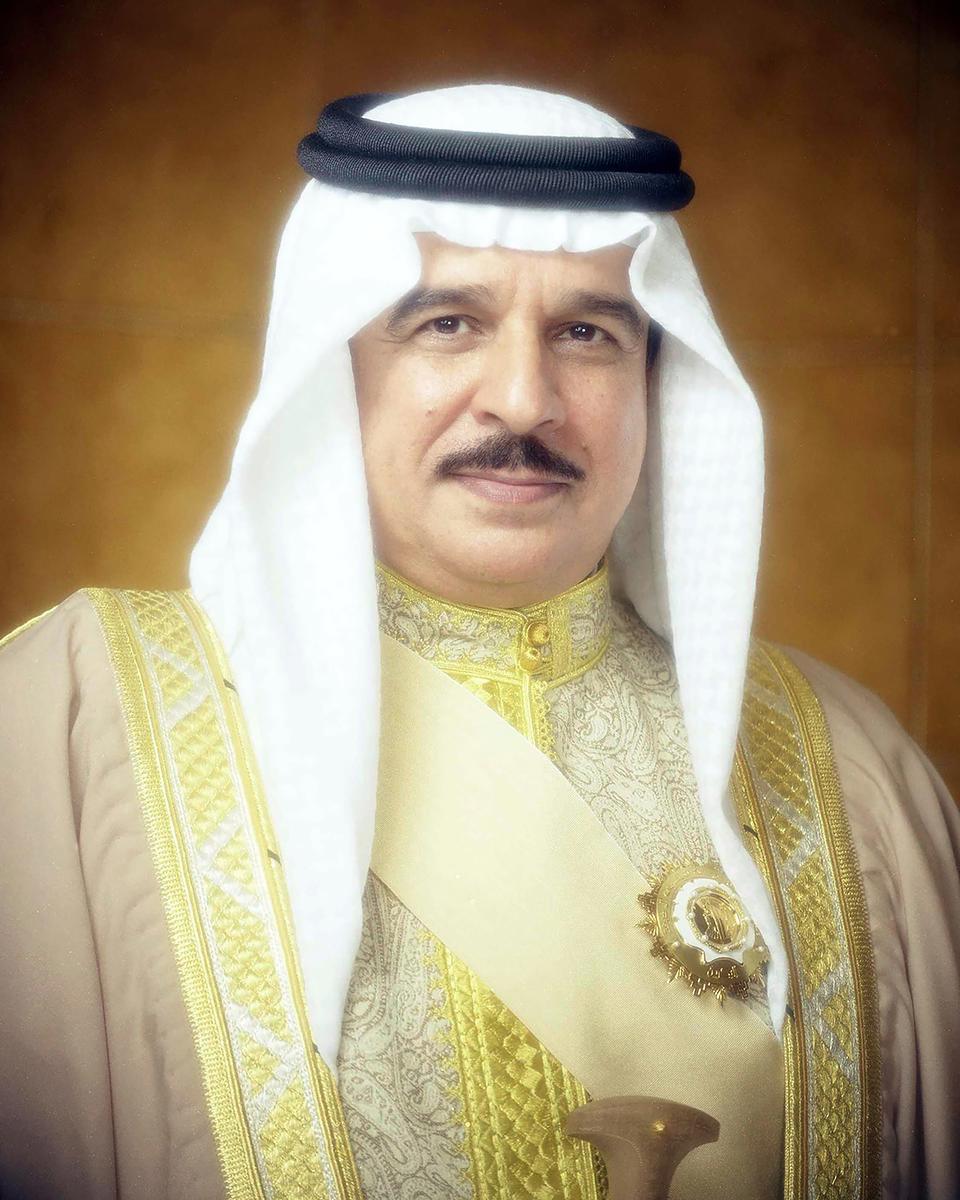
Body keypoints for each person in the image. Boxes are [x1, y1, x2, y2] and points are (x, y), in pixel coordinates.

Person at [0, 84, 957, 1200]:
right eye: (446, 323)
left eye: (587, 334)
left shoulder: (856, 776)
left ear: (654, 381)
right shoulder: (63, 732)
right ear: (333, 365)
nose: (522, 400)